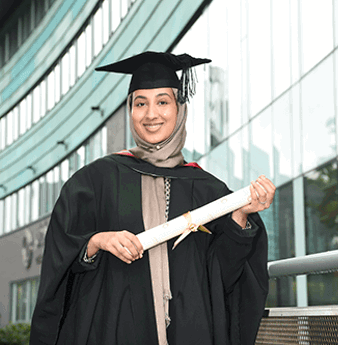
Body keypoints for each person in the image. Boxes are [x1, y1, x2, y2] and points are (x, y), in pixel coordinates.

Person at [29, 51, 275, 345]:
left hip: (190, 332)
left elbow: (224, 275)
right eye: (140, 103)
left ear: (179, 108)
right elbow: (59, 261)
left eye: (162, 102)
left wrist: (240, 218)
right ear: (130, 110)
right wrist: (96, 242)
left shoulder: (209, 190)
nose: (151, 114)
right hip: (114, 332)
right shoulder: (92, 182)